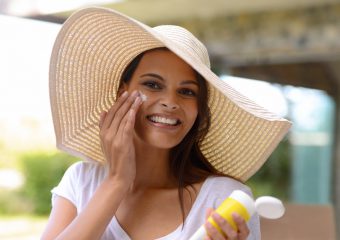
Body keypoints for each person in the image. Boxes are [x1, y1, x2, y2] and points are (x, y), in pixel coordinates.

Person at [42, 7, 291, 240]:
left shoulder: (224, 198)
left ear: (199, 111)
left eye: (187, 92)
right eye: (152, 84)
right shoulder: (81, 181)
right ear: (122, 94)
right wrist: (117, 181)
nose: (170, 102)